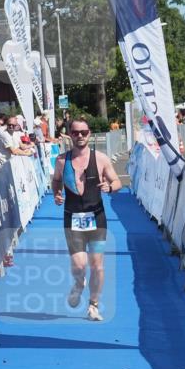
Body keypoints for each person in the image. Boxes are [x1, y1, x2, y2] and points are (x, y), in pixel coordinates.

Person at [51, 117, 122, 322]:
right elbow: (56, 181)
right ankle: (79, 284)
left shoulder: (100, 158)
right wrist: (57, 194)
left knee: (97, 266)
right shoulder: (62, 160)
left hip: (97, 218)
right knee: (79, 266)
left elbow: (117, 181)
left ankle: (93, 305)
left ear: (89, 134)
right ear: (69, 135)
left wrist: (110, 187)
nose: (80, 136)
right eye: (75, 132)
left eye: (83, 132)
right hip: (72, 218)